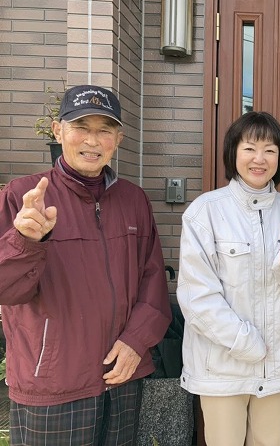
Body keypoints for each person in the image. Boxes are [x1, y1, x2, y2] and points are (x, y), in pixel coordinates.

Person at [0, 84, 172, 446]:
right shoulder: (22, 197)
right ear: (58, 130)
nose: (92, 141)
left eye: (104, 130)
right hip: (52, 383)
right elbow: (7, 290)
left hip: (120, 376)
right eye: (81, 126)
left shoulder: (133, 200)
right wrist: (25, 241)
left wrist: (136, 342)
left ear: (119, 138)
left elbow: (153, 283)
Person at [177, 111, 280, 446]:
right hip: (222, 366)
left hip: (276, 363)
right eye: (250, 148)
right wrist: (247, 343)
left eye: (270, 150)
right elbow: (197, 297)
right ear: (233, 153)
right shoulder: (205, 212)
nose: (259, 159)